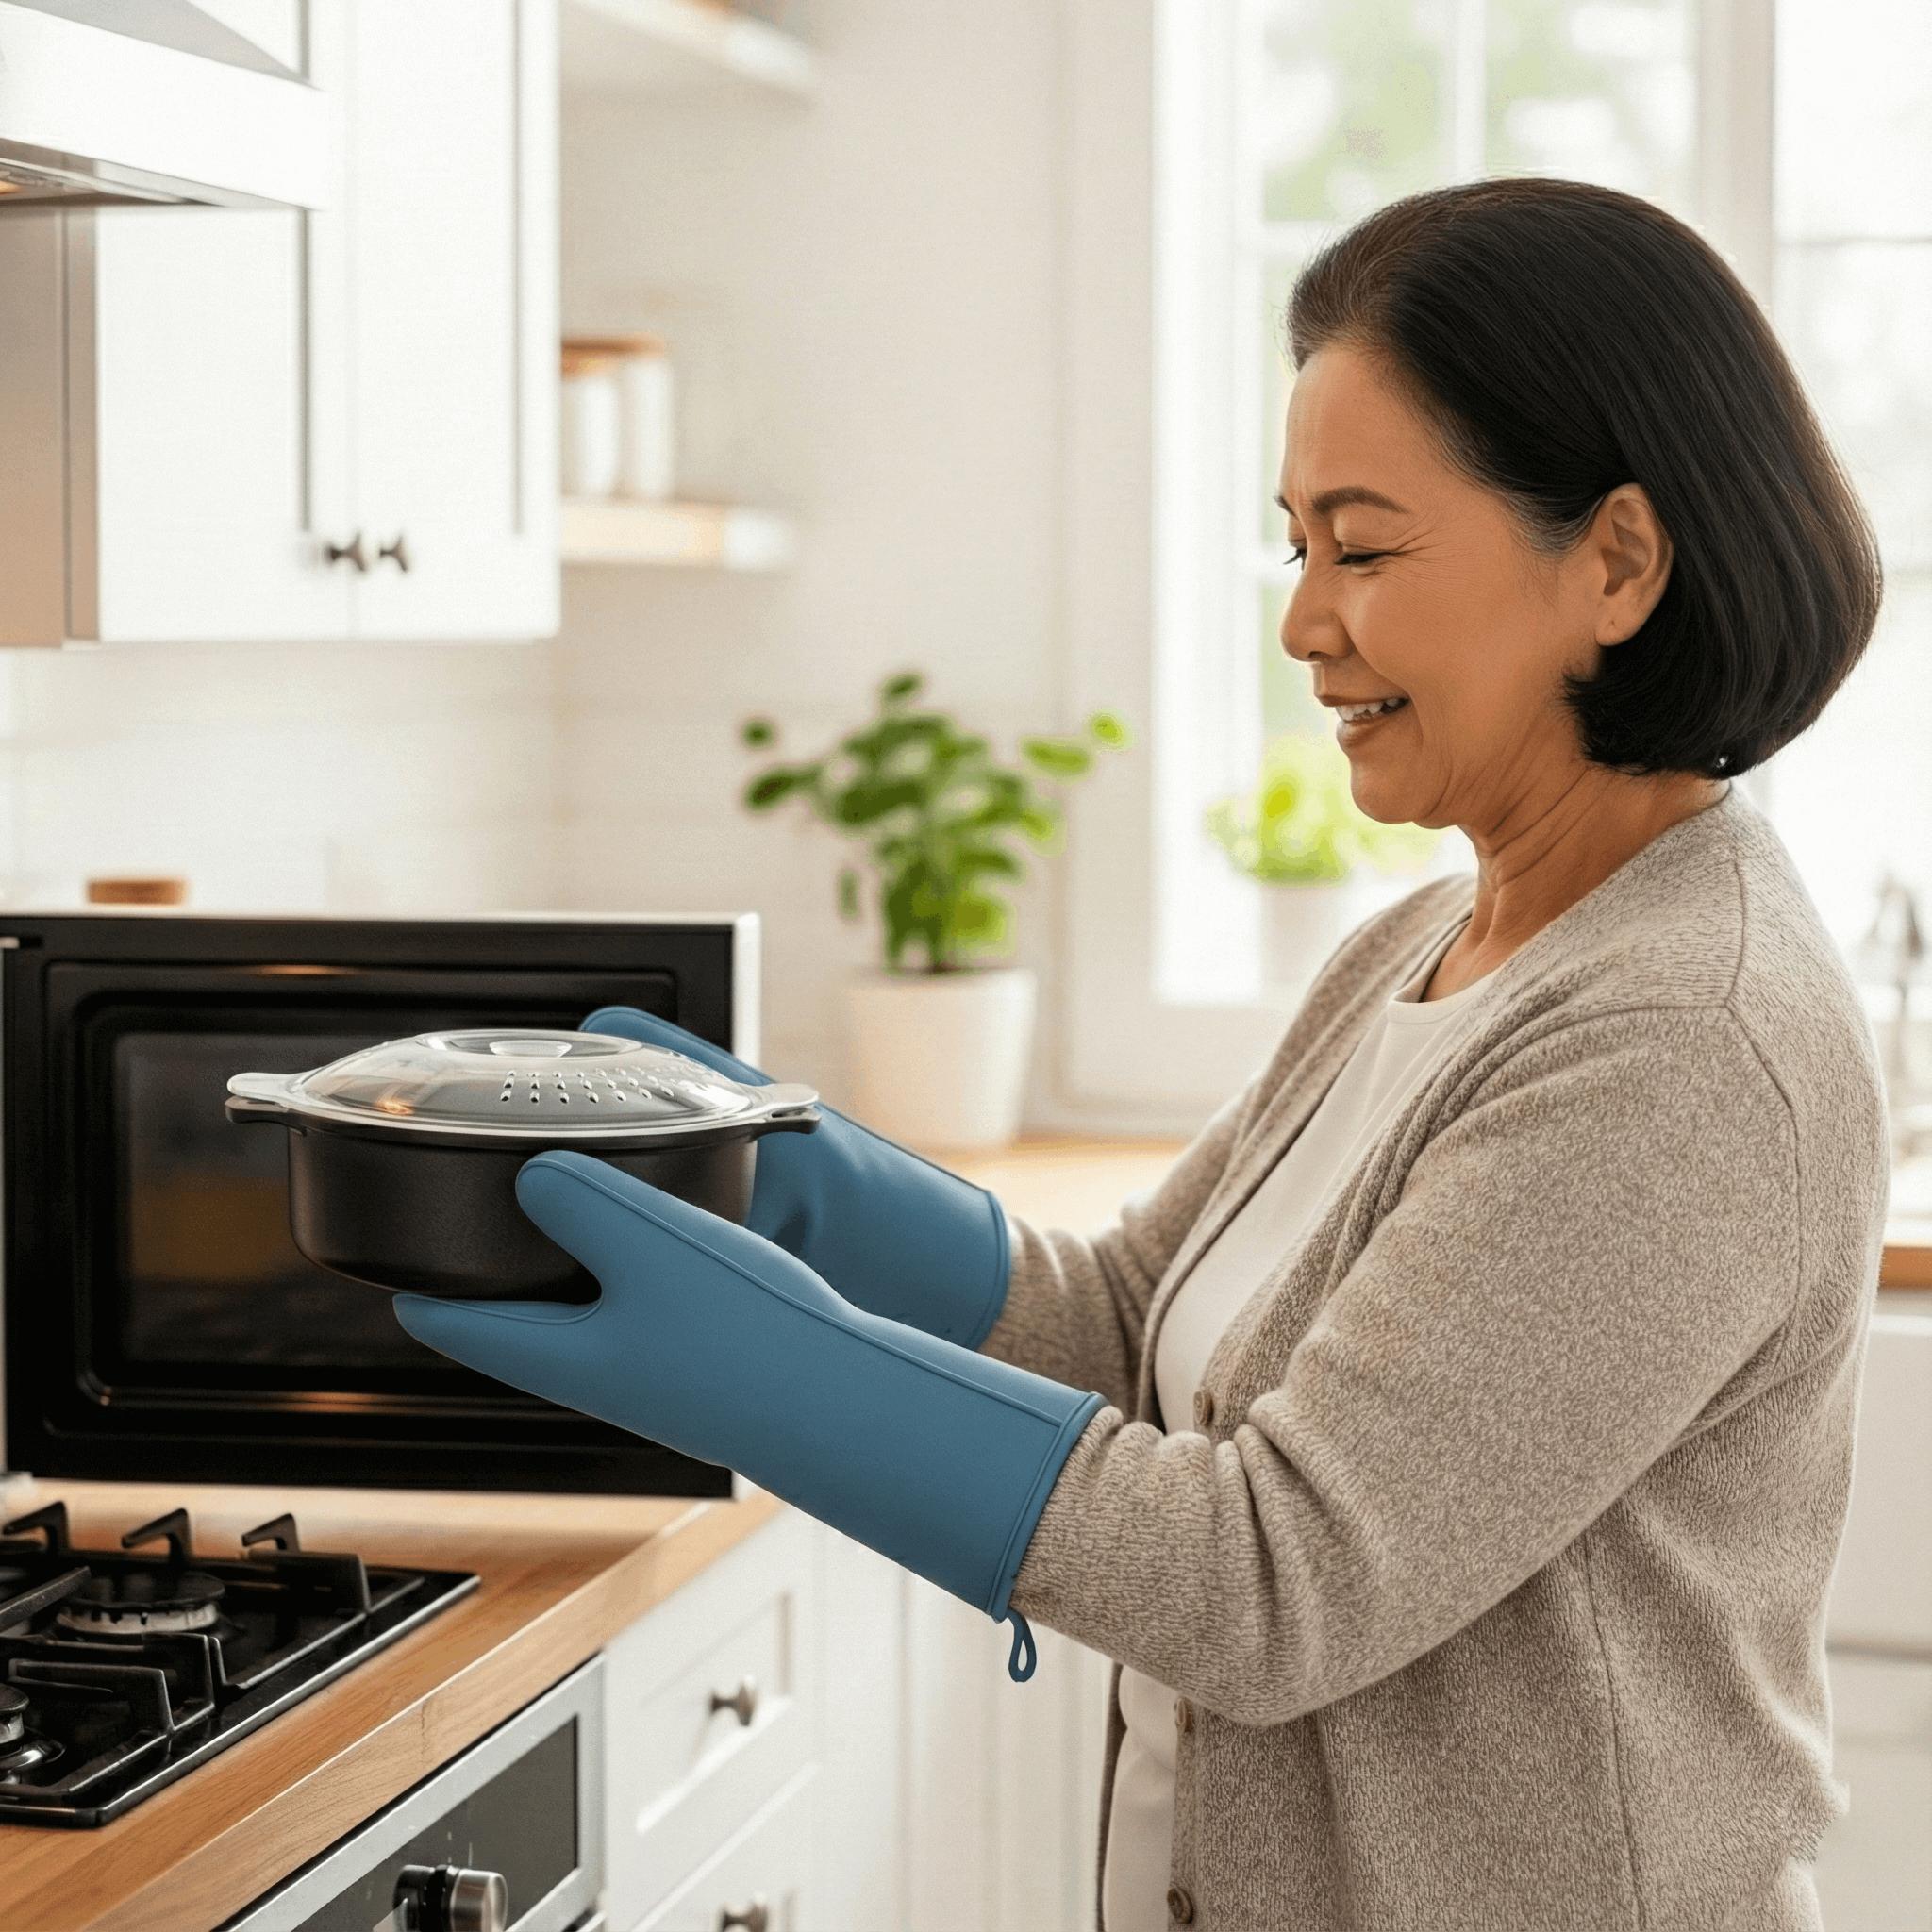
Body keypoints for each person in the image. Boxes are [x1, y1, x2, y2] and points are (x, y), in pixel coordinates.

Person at [395, 175, 1890, 1931]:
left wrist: (761, 1375)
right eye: (1297, 546)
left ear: (1617, 562)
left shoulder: (1681, 1041)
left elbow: (1270, 1580)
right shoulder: (1425, 948)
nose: (1304, 622)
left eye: (1368, 547)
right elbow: (1130, 1328)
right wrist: (793, 1179)